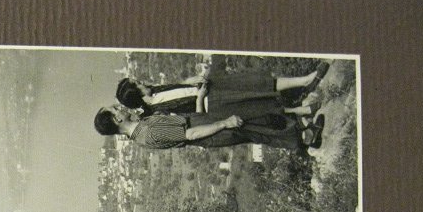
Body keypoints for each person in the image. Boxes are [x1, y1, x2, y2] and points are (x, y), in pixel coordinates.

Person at [112, 61, 329, 147]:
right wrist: (200, 97)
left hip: (213, 91)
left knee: (257, 85)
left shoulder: (157, 90)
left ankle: (305, 85)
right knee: (258, 116)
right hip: (214, 107)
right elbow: (192, 122)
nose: (141, 81)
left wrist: (192, 82)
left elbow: (181, 88)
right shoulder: (154, 112)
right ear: (136, 96)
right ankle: (302, 128)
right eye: (137, 84)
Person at [94, 104, 318, 151]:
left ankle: (298, 129)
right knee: (254, 132)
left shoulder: (141, 130)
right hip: (205, 131)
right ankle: (304, 140)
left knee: (252, 122)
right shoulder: (147, 133)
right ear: (117, 121)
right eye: (116, 111)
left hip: (201, 124)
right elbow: (189, 134)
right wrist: (222, 123)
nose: (120, 108)